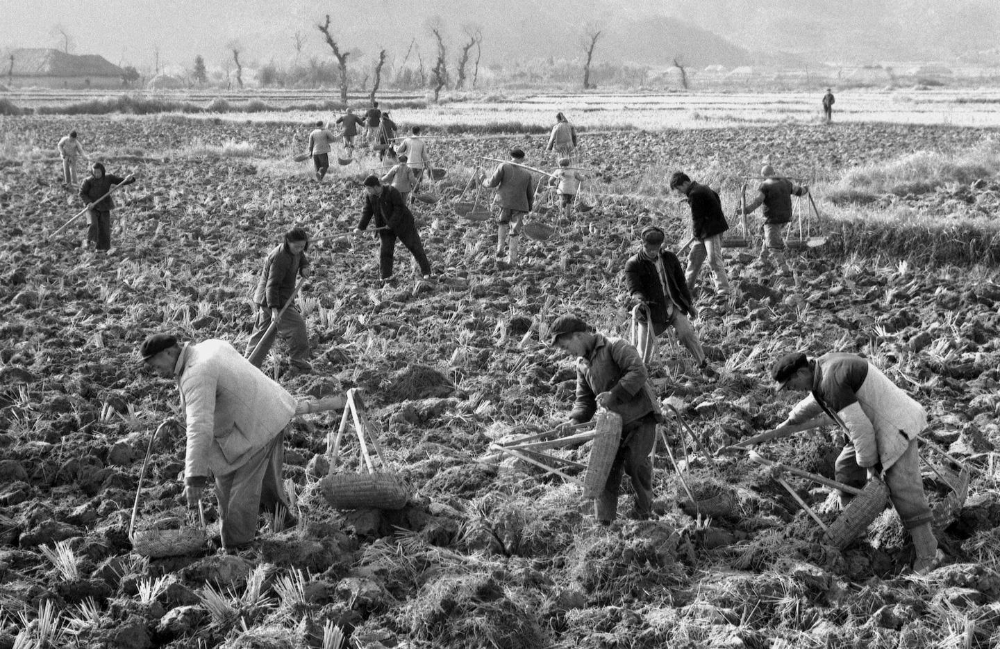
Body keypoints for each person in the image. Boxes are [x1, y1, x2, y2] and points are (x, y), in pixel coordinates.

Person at [771, 351, 942, 575]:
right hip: (871, 424)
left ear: (801, 372)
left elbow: (860, 429)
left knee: (903, 488)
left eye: (791, 385)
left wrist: (871, 468)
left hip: (894, 425)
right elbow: (816, 400)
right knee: (846, 467)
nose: (792, 390)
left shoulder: (831, 380)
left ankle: (929, 552)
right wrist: (791, 421)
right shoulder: (821, 368)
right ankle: (855, 527)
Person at [139, 333, 297, 551]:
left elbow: (199, 427)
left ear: (168, 352)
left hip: (254, 426)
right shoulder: (208, 346)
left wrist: (194, 478)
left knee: (233, 494)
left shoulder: (196, 373)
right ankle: (285, 522)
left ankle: (238, 549)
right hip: (271, 410)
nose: (157, 372)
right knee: (266, 480)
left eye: (156, 366)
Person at [547, 315, 663, 524]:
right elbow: (584, 401)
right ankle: (604, 522)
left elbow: (638, 371)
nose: (566, 352)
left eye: (566, 346)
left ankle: (645, 513)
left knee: (635, 462)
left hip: (641, 417)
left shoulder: (615, 346)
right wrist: (573, 422)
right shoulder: (582, 365)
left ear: (578, 335)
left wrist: (614, 394)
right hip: (613, 424)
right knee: (605, 469)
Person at [624, 225, 713, 376]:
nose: (652, 252)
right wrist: (639, 300)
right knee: (643, 353)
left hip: (673, 306)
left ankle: (704, 367)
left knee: (687, 334)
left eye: (656, 249)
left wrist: (689, 305)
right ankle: (641, 377)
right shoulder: (633, 264)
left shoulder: (669, 258)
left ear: (661, 246)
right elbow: (634, 289)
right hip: (651, 312)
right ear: (643, 244)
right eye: (649, 249)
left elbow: (681, 283)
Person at [245, 228, 312, 374]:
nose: (299, 249)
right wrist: (274, 310)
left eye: (302, 246)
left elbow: (301, 257)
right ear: (288, 241)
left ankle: (247, 366)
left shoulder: (295, 250)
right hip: (272, 299)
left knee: (263, 334)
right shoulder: (280, 258)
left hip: (277, 298)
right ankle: (298, 363)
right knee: (297, 326)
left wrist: (304, 267)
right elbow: (272, 285)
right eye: (297, 246)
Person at [356, 174, 432, 283]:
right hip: (385, 227)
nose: (367, 191)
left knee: (415, 247)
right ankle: (385, 277)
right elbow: (367, 211)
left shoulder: (392, 191)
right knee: (385, 251)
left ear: (376, 187)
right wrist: (360, 228)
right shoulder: (370, 196)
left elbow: (399, 209)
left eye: (369, 188)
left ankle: (426, 273)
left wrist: (391, 223)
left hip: (403, 224)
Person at [737, 165, 809, 276]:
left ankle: (783, 268)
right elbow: (800, 191)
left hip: (773, 219)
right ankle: (762, 259)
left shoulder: (765, 185)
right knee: (768, 237)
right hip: (785, 218)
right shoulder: (786, 182)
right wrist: (806, 188)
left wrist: (746, 210)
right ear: (774, 173)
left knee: (773, 245)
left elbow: (758, 201)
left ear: (763, 176)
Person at [669, 171, 730, 297]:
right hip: (705, 230)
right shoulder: (703, 188)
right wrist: (698, 232)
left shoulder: (694, 194)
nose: (680, 192)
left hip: (711, 231)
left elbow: (697, 217)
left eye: (679, 189)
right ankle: (686, 288)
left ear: (685, 183)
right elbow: (716, 199)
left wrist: (696, 232)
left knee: (714, 259)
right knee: (694, 258)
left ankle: (723, 290)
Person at [483, 147, 535, 267]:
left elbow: (492, 183)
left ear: (511, 156)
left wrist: (484, 181)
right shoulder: (527, 174)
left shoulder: (503, 166)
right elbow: (530, 194)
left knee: (502, 223)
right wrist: (529, 206)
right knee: (515, 231)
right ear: (522, 159)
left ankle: (500, 248)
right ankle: (512, 259)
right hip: (520, 205)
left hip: (505, 201)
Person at [79, 162, 136, 252]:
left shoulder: (108, 178)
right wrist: (88, 202)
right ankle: (90, 243)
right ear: (92, 172)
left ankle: (102, 249)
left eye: (98, 172)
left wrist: (129, 179)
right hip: (92, 207)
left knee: (104, 227)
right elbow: (82, 193)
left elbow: (120, 181)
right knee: (93, 224)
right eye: (95, 172)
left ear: (102, 171)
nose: (97, 174)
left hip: (104, 205)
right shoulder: (88, 181)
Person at [394, 126, 434, 193]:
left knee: (407, 183)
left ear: (412, 132)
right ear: (419, 132)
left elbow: (399, 150)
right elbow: (424, 155)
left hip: (408, 165)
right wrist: (428, 165)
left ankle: (408, 196)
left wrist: (394, 147)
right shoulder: (421, 142)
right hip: (418, 166)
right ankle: (413, 197)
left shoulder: (407, 140)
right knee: (416, 184)